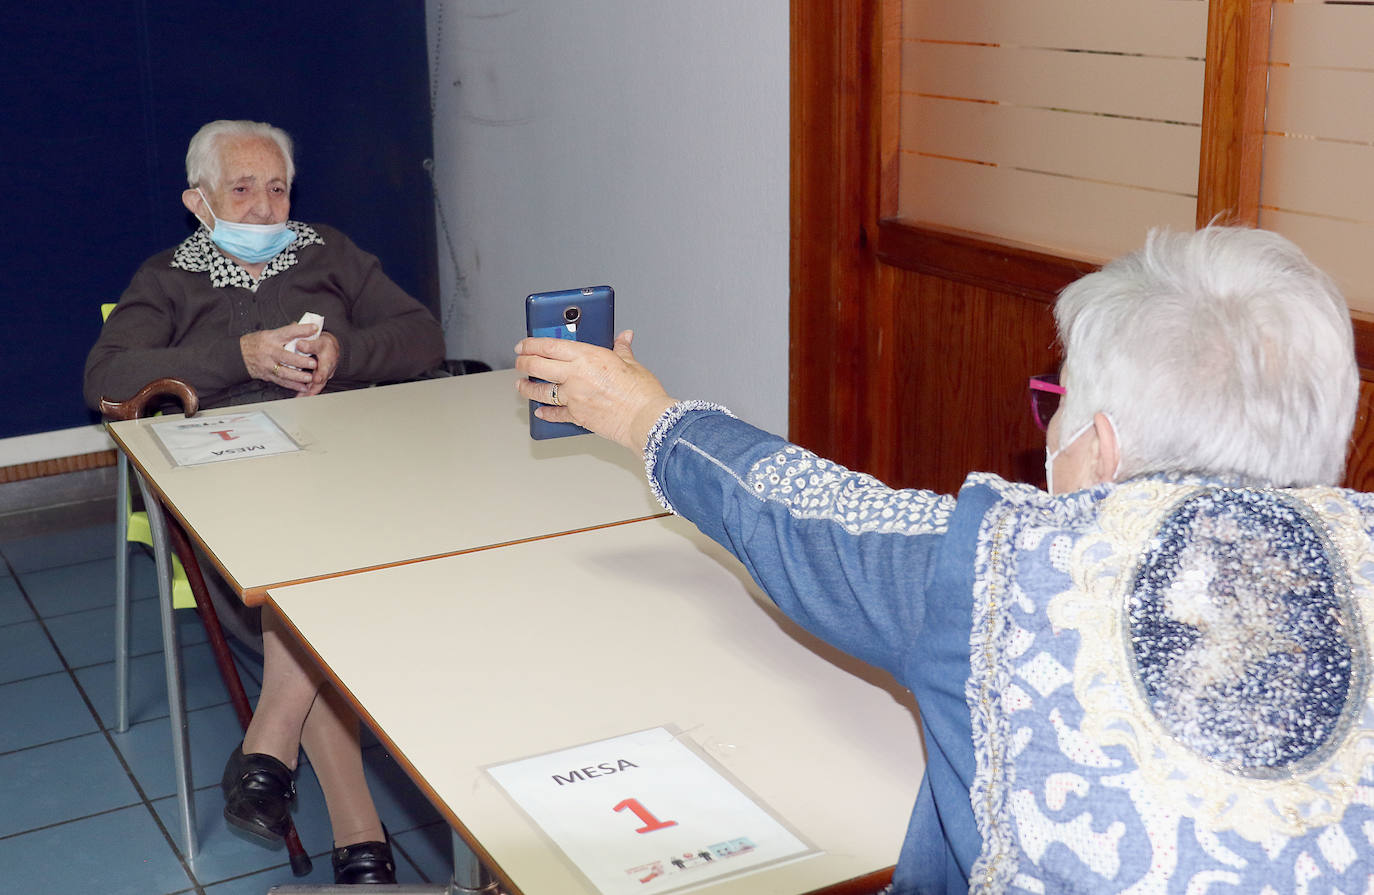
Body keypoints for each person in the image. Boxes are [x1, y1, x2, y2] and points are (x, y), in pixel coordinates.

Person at [514, 227, 1374, 894]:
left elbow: (799, 510)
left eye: (1058, 403)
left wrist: (640, 413)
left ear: (1102, 450)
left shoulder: (1011, 566)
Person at [85, 119, 446, 885]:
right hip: (232, 482)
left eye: (275, 188)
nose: (260, 207)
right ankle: (357, 833)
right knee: (311, 588)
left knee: (319, 582)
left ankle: (270, 753)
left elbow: (422, 336)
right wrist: (235, 357)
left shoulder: (330, 253)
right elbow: (107, 376)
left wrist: (348, 353)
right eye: (240, 189)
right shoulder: (169, 277)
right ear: (198, 200)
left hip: (341, 463)